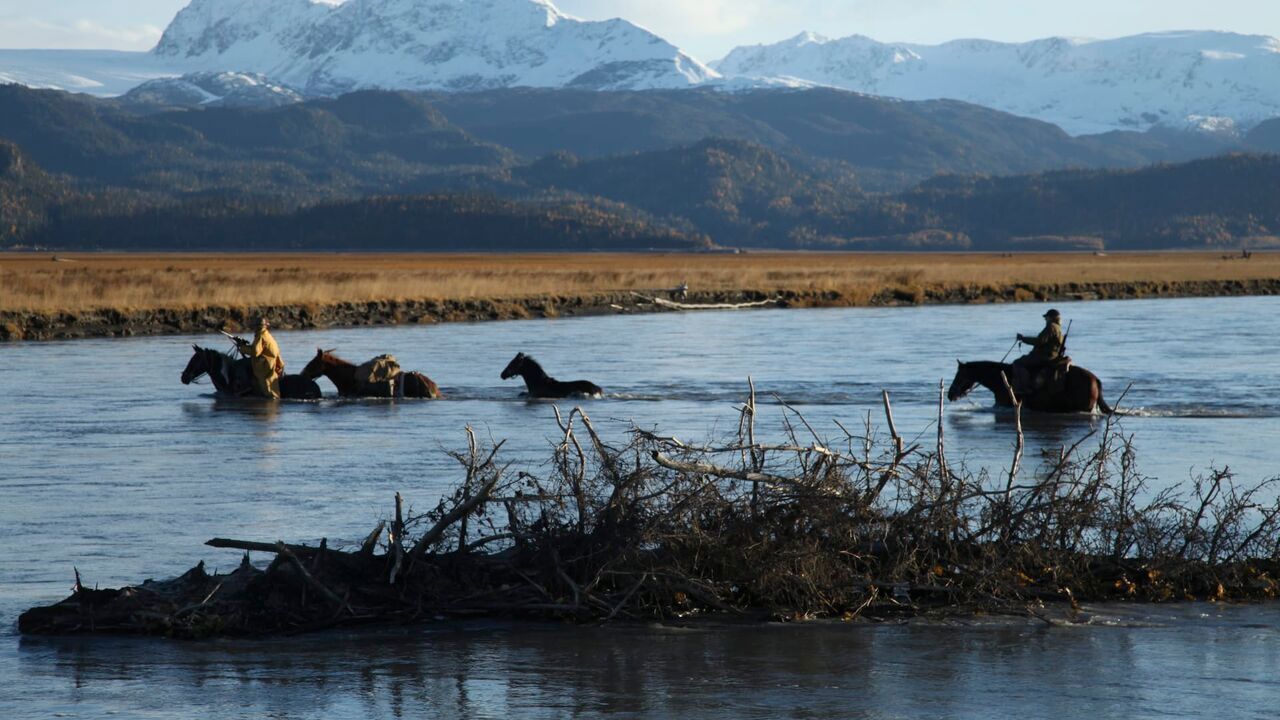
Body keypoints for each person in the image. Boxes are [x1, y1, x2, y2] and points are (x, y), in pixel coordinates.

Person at [1012, 309, 1065, 388]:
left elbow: (1039, 341)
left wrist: (1023, 339)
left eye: (1046, 317)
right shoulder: (1058, 328)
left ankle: (1024, 386)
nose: (1045, 319)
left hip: (1045, 357)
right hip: (1053, 356)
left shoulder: (1051, 327)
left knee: (1017, 363)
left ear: (1051, 318)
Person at [243, 317, 284, 399]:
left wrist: (242, 348)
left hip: (265, 366)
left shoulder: (261, 336)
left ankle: (271, 402)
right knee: (272, 387)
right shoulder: (267, 335)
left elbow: (255, 352)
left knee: (269, 391)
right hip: (273, 364)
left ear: (256, 326)